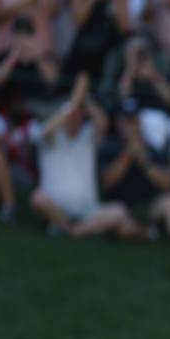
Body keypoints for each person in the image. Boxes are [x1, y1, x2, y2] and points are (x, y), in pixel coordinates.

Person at [30, 74, 147, 240]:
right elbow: (47, 131)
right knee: (38, 198)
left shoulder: (87, 136)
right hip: (55, 206)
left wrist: (84, 98)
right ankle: (75, 228)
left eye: (79, 114)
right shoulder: (50, 135)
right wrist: (72, 103)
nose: (75, 117)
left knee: (119, 211)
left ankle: (70, 231)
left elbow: (103, 122)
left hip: (87, 210)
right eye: (71, 114)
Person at [100, 99, 170, 256]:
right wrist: (127, 156)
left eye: (133, 120)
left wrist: (144, 161)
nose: (130, 126)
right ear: (118, 122)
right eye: (126, 121)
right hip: (121, 208)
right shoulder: (109, 148)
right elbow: (107, 183)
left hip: (148, 206)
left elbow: (167, 185)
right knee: (123, 227)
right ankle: (147, 233)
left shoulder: (153, 149)